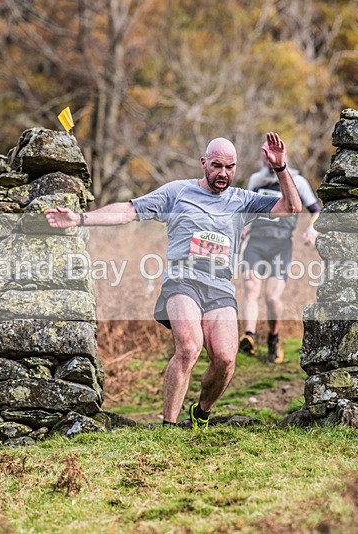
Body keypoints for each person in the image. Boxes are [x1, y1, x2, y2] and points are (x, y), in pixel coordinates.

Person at [45, 132, 300, 428]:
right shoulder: (177, 193)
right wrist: (80, 218)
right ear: (204, 162)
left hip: (220, 286)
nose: (223, 174)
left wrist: (280, 168)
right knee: (190, 347)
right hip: (183, 282)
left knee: (226, 360)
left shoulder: (242, 200)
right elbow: (129, 211)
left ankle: (201, 412)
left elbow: (291, 208)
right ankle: (169, 426)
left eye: (230, 167)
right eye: (217, 166)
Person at [237, 142, 320, 364]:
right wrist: (243, 226)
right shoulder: (256, 180)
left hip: (281, 245)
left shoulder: (297, 181)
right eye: (264, 156)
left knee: (272, 296)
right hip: (256, 241)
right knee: (250, 287)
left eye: (271, 156)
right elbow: (245, 208)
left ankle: (274, 337)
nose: (268, 160)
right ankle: (249, 336)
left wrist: (312, 228)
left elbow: (316, 211)